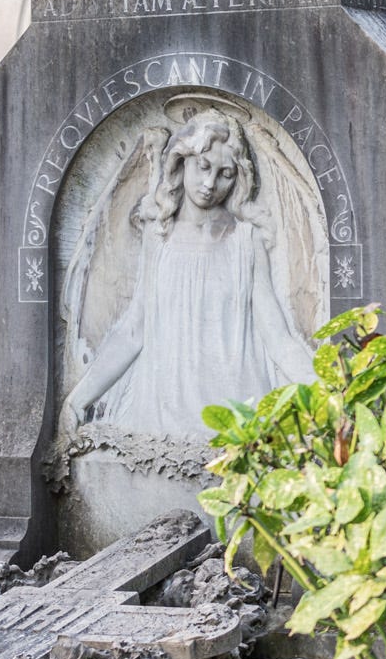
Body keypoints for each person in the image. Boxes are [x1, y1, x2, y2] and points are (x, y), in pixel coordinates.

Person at [65, 103, 314, 435]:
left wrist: (327, 389)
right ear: (181, 163)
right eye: (203, 166)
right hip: (163, 412)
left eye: (225, 173)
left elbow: (278, 337)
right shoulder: (159, 237)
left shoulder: (246, 241)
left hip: (234, 413)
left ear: (237, 178)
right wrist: (78, 399)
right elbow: (133, 330)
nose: (210, 184)